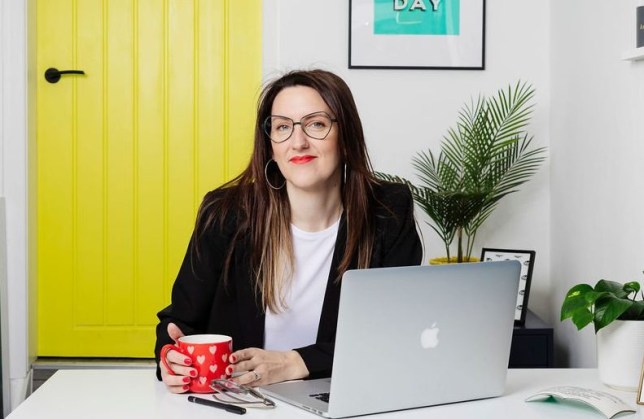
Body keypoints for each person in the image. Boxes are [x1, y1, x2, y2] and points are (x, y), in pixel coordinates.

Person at [155, 69, 422, 393]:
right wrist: (169, 357)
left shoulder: (387, 212)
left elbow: (392, 333)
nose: (298, 141)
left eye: (316, 124)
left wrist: (295, 362)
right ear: (269, 145)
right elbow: (179, 323)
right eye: (282, 127)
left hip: (344, 399)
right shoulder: (225, 213)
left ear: (346, 136)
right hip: (241, 403)